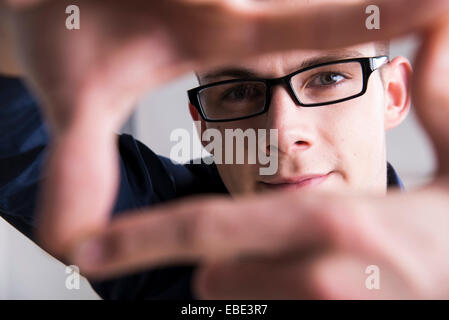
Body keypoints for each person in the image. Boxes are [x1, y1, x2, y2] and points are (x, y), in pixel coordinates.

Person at [1, 0, 449, 299]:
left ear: (392, 95)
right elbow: (15, 138)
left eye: (328, 78)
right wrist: (19, 41)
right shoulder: (160, 234)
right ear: (204, 127)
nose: (280, 132)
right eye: (239, 92)